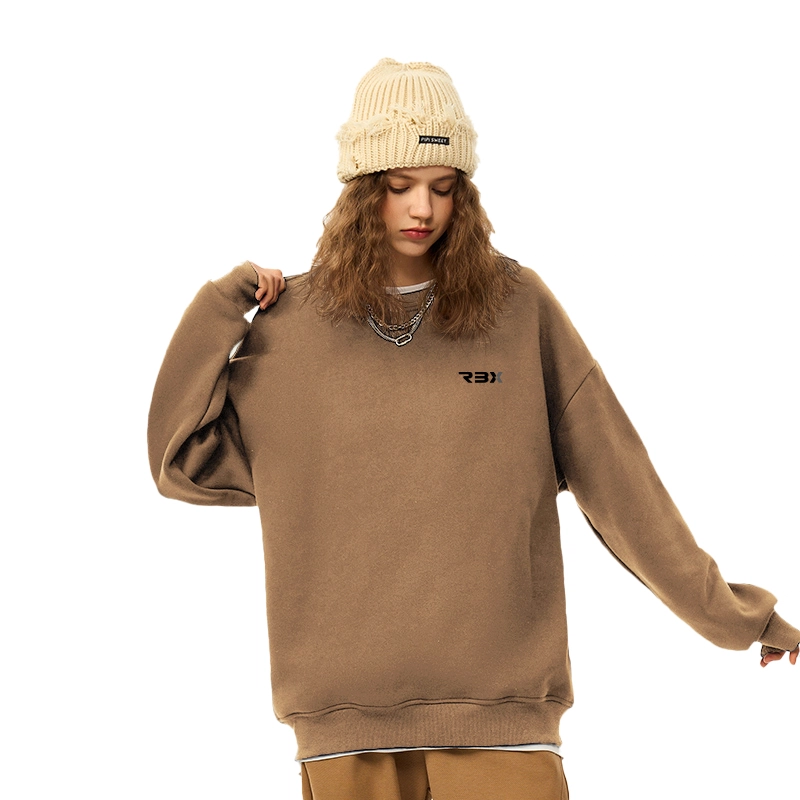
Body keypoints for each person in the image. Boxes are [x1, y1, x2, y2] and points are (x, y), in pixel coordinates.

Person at [148, 58, 799, 800]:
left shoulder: (516, 309)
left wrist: (740, 618)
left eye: (443, 185)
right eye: (399, 185)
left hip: (505, 720)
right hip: (344, 727)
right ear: (361, 189)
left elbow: (622, 487)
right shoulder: (290, 330)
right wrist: (220, 308)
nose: (421, 207)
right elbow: (180, 459)